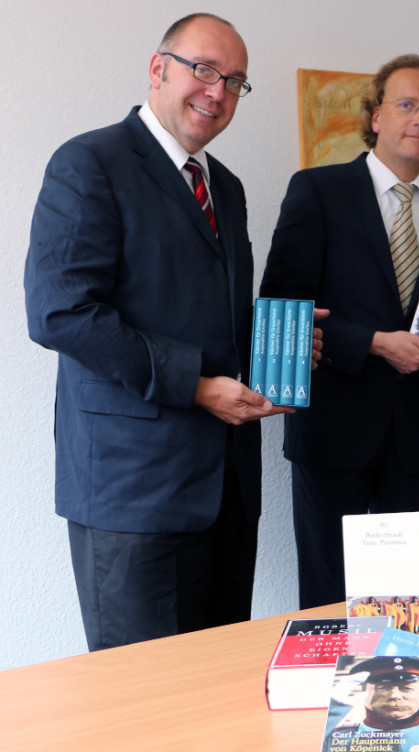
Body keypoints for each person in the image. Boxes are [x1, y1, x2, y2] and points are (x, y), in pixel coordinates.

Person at [23, 14, 308, 651]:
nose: (217, 91)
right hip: (133, 495)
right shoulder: (89, 163)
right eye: (204, 70)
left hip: (227, 490)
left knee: (216, 696)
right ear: (159, 69)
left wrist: (279, 350)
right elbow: (59, 311)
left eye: (235, 81)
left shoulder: (225, 188)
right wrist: (199, 386)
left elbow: (208, 314)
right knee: (143, 709)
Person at [260, 54, 419, 608]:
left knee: (401, 597)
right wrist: (374, 343)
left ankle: (401, 694)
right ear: (376, 115)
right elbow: (280, 310)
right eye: (407, 105)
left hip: (410, 434)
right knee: (329, 597)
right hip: (332, 428)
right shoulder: (317, 191)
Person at [325, 656, 419, 748]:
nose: (394, 696)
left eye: (406, 688)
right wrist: (334, 709)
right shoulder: (340, 739)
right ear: (364, 691)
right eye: (382, 688)